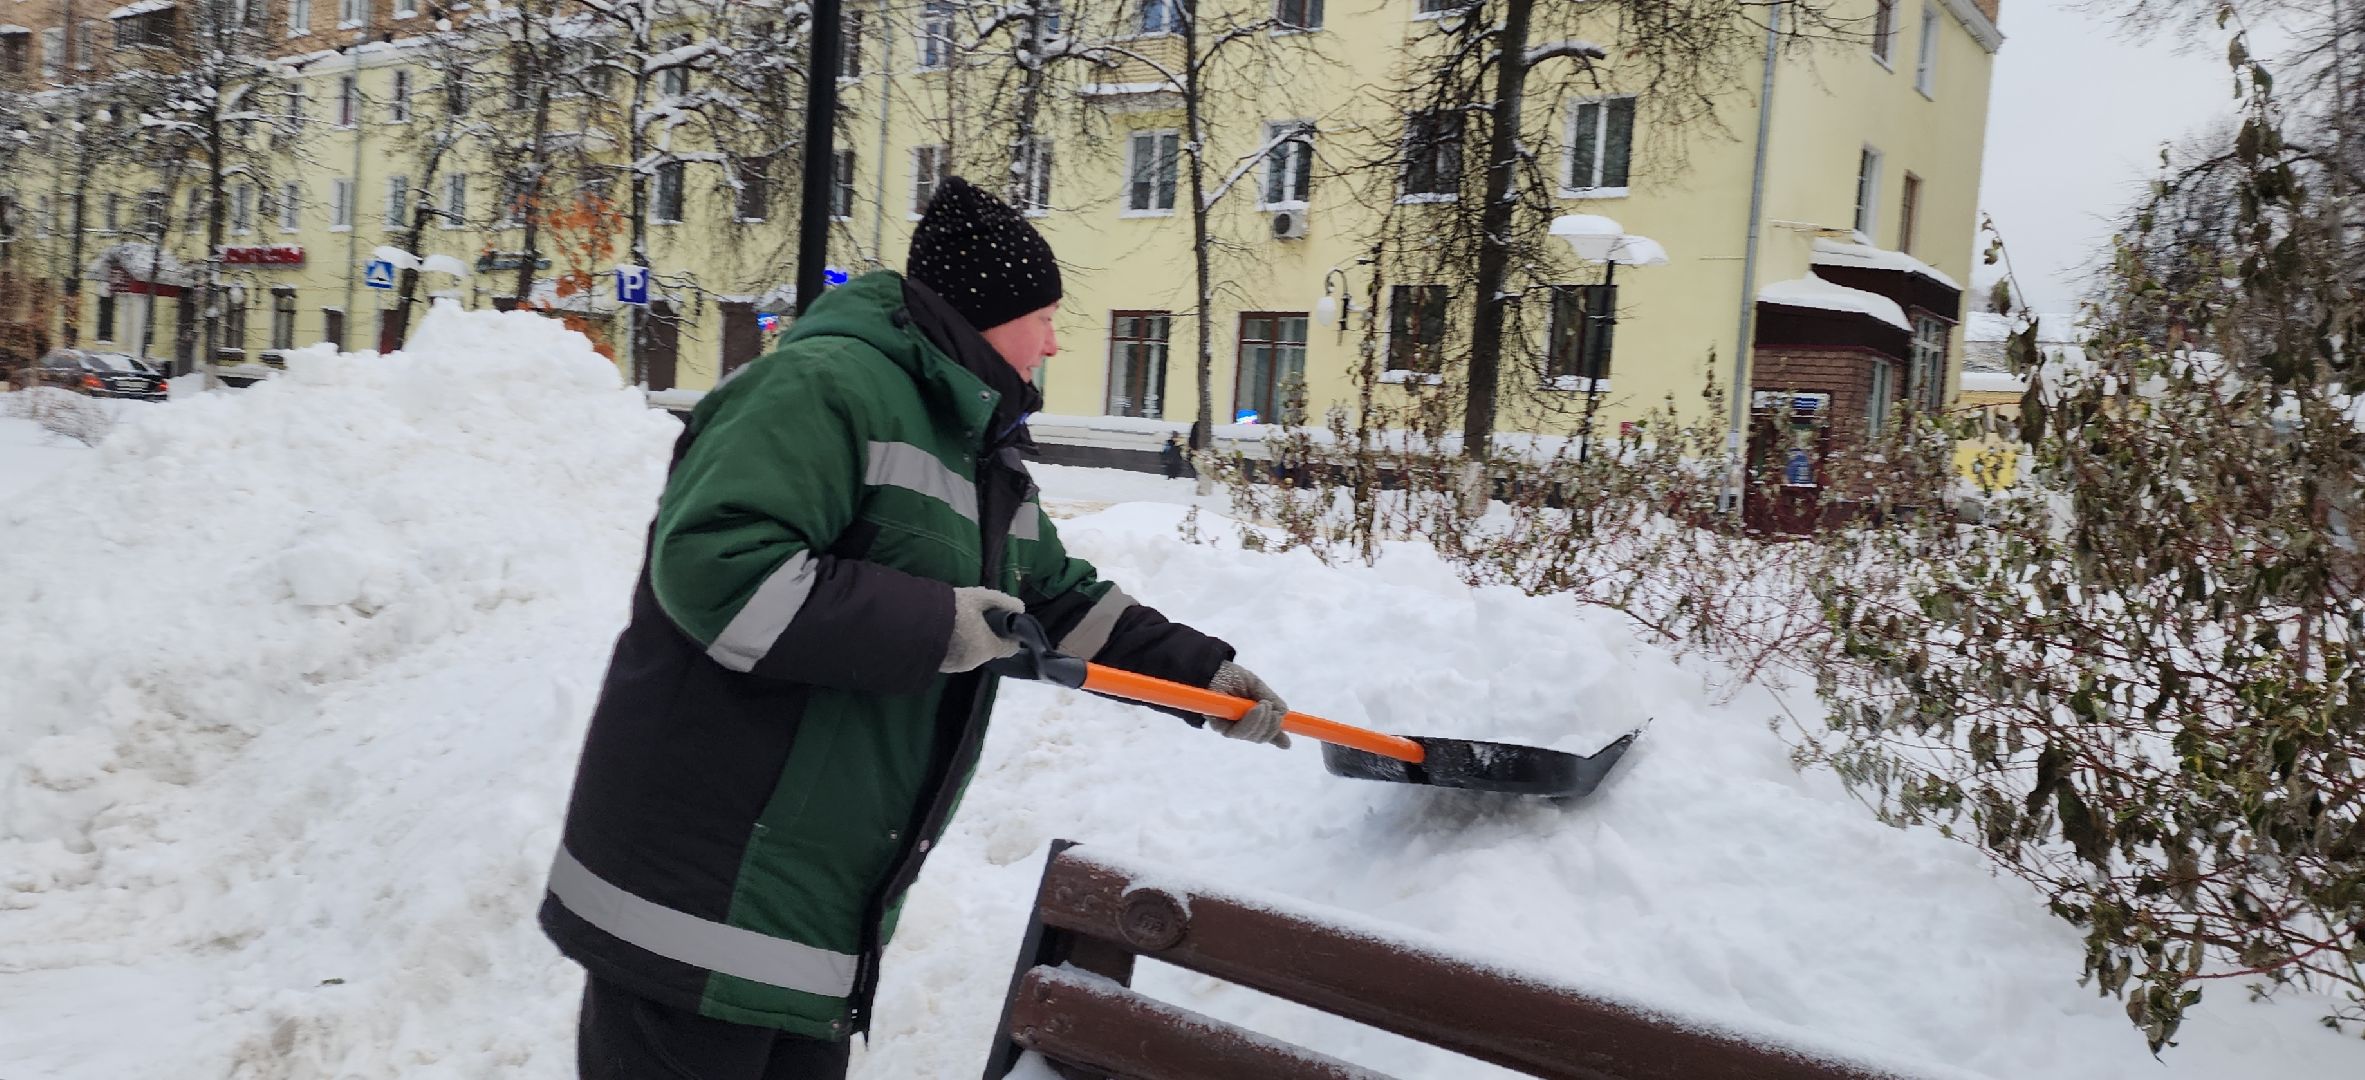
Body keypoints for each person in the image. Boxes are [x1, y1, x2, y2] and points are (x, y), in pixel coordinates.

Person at [539, 175, 1291, 1080]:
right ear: (982, 316)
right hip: (703, 887)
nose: (1054, 340)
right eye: (1042, 316)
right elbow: (717, 572)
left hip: (809, 911)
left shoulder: (970, 442)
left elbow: (1055, 600)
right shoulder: (819, 389)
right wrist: (938, 625)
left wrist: (1200, 679)